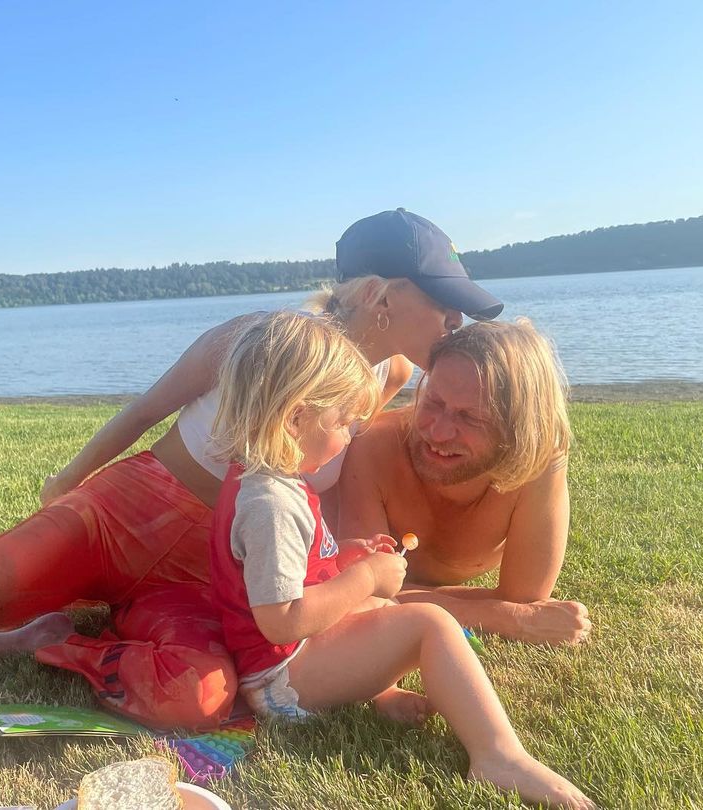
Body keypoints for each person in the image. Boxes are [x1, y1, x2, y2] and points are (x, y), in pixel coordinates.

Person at [0, 208, 503, 735]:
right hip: (119, 515)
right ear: (383, 296)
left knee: (201, 696)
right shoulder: (256, 338)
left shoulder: (390, 375)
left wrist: (370, 659)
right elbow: (141, 414)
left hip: (206, 573)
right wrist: (65, 487)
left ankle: (45, 639)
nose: (456, 320)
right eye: (445, 302)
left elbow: (310, 528)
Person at [208, 311, 595, 809]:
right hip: (283, 676)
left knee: (382, 609)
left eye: (470, 417)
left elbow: (294, 573)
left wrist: (347, 560)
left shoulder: (271, 483)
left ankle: (378, 693)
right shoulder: (271, 504)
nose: (349, 436)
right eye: (342, 422)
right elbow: (283, 619)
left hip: (285, 662)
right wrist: (366, 577)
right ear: (296, 419)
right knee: (427, 624)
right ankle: (498, 755)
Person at [337, 318, 592, 646]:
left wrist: (509, 607)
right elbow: (362, 594)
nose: (438, 432)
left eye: (470, 417)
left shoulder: (538, 461)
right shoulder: (373, 446)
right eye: (433, 402)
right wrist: (504, 617)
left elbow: (525, 596)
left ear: (518, 428)